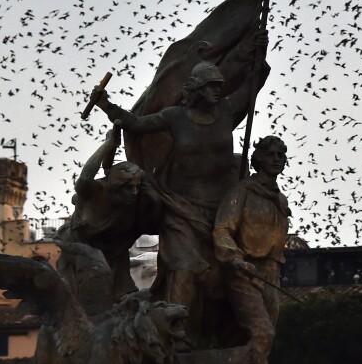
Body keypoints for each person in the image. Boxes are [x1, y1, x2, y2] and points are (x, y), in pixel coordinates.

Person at [90, 32, 267, 341]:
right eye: (210, 85)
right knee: (183, 268)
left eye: (218, 85)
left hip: (223, 210)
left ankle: (240, 335)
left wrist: (260, 53)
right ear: (196, 89)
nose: (217, 90)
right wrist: (106, 105)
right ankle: (176, 334)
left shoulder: (228, 110)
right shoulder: (176, 117)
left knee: (235, 272)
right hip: (181, 207)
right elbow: (136, 124)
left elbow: (254, 85)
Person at [55, 126, 158, 306]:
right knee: (81, 302)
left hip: (116, 255)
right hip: (80, 252)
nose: (134, 192)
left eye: (137, 187)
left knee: (123, 300)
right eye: (128, 188)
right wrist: (108, 144)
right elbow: (84, 179)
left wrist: (152, 195)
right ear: (116, 186)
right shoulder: (95, 191)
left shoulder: (134, 204)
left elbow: (154, 224)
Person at [213, 136, 291, 364]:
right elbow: (222, 229)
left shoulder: (280, 200)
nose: (276, 159)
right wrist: (234, 258)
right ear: (258, 159)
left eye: (281, 155)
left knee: (255, 342)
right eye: (270, 154)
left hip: (272, 274)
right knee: (263, 334)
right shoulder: (242, 191)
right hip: (245, 272)